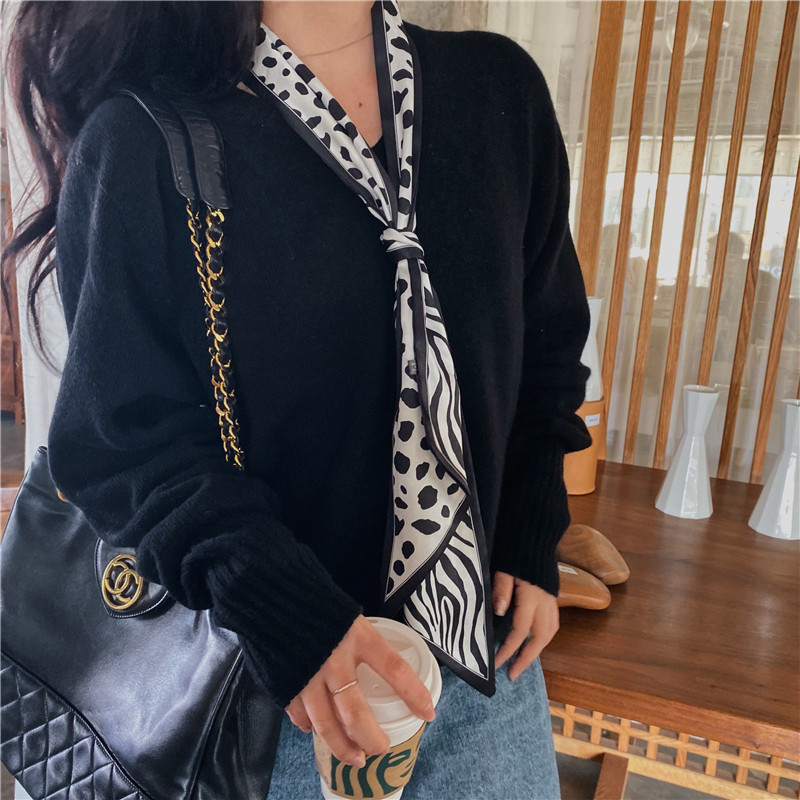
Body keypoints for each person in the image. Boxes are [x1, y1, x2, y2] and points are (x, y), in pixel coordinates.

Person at [3, 1, 590, 797]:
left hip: (481, 666)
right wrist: (289, 614)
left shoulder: (499, 92)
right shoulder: (143, 136)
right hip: (270, 692)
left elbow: (547, 339)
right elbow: (126, 439)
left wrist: (530, 527)